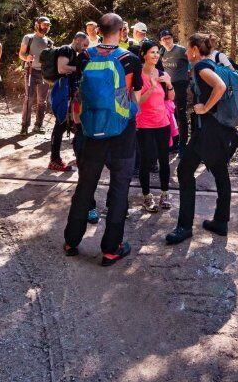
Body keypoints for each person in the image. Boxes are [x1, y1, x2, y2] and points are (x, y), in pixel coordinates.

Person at [63, 13, 144, 266]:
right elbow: (136, 99)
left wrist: (81, 123)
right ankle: (111, 249)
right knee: (119, 189)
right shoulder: (129, 59)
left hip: (91, 132)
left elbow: (77, 94)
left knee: (86, 186)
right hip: (122, 132)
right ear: (122, 32)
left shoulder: (85, 56)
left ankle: (71, 241)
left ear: (97, 31)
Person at [165, 33, 238, 245]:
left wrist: (204, 107)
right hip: (220, 130)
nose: (187, 53)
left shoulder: (200, 67)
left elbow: (220, 87)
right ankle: (220, 221)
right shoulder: (213, 63)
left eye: (189, 49)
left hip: (207, 131)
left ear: (196, 50)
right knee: (220, 174)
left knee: (184, 171)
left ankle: (184, 227)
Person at [135, 40, 175, 212]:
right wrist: (151, 88)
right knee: (145, 161)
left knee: (164, 161)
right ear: (144, 54)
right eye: (152, 52)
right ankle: (146, 196)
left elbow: (171, 98)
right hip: (144, 124)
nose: (156, 55)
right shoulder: (138, 75)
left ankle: (164, 194)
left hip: (162, 123)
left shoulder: (162, 73)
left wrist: (169, 83)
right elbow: (136, 102)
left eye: (157, 52)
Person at [48, 32, 90, 172]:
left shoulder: (74, 52)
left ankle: (78, 157)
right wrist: (80, 69)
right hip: (63, 93)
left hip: (70, 93)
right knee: (60, 124)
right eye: (84, 45)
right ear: (77, 40)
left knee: (71, 124)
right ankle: (54, 160)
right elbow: (61, 68)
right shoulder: (66, 50)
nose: (85, 48)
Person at [19, 16, 53, 134]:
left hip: (44, 73)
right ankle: (24, 126)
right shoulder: (28, 38)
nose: (46, 27)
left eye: (48, 25)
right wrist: (26, 57)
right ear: (37, 24)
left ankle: (38, 125)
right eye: (44, 24)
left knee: (42, 101)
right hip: (30, 71)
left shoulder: (49, 42)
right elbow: (21, 54)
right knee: (29, 98)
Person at [158, 29, 190, 152]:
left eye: (169, 37)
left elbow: (193, 60)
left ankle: (183, 145)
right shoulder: (162, 52)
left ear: (173, 38)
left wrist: (190, 78)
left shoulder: (181, 50)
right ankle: (174, 142)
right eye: (164, 39)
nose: (167, 40)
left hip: (180, 85)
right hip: (167, 87)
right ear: (160, 41)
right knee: (171, 115)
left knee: (181, 114)